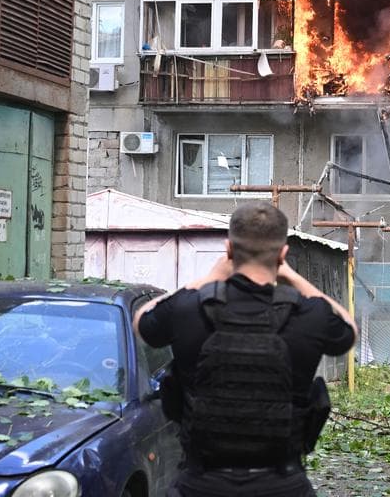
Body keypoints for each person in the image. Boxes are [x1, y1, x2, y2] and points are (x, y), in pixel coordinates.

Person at [134, 201, 357, 497]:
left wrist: (212, 274)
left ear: (228, 250)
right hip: (282, 484)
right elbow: (348, 330)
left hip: (201, 484)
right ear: (283, 254)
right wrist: (290, 275)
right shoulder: (309, 314)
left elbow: (143, 320)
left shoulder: (187, 310)